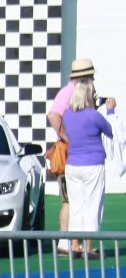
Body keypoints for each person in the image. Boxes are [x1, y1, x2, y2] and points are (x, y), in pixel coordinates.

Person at [62, 80, 116, 245]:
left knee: (76, 206)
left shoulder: (67, 115)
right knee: (92, 206)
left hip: (72, 164)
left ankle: (75, 245)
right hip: (93, 164)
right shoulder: (94, 115)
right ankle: (88, 246)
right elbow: (111, 130)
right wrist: (110, 110)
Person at [47, 57, 94, 241]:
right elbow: (53, 115)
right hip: (70, 152)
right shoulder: (68, 92)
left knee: (73, 199)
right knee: (69, 200)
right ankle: (66, 241)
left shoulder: (71, 91)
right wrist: (66, 137)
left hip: (74, 152)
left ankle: (69, 242)